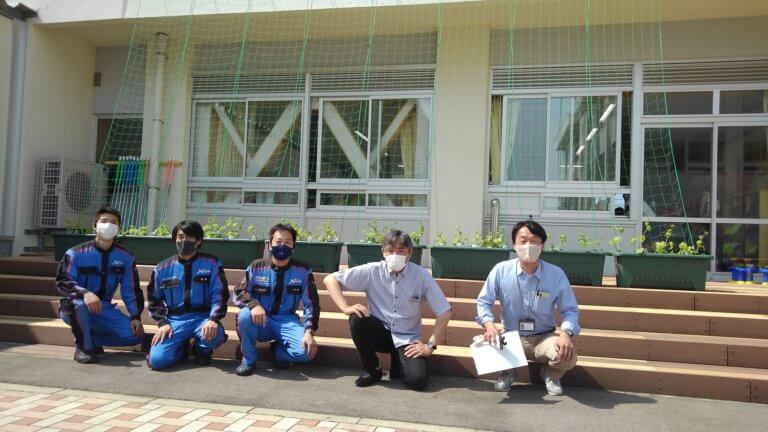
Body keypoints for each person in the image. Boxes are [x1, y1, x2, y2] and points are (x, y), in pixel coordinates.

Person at [324, 229, 451, 391]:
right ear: (383, 252)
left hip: (407, 339)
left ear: (410, 253)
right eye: (390, 251)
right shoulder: (372, 271)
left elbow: (444, 311)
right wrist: (345, 307)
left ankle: (399, 363)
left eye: (401, 251)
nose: (395, 255)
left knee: (417, 381)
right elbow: (330, 279)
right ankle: (372, 370)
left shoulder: (421, 276)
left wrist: (430, 346)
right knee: (357, 318)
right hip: (380, 332)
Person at [477, 220, 581, 396]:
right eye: (523, 240)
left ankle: (550, 374)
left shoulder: (556, 274)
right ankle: (508, 371)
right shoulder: (501, 270)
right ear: (514, 244)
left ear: (542, 246)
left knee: (568, 356)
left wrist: (565, 335)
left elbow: (570, 310)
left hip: (544, 338)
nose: (528, 246)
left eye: (534, 241)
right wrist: (489, 326)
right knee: (483, 344)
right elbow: (483, 301)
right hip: (512, 336)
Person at [56, 206, 144, 363]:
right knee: (79, 304)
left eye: (114, 222)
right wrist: (85, 293)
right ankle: (84, 347)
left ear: (118, 228)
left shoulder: (126, 257)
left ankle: (90, 339)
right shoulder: (75, 254)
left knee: (136, 335)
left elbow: (131, 289)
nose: (108, 225)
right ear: (94, 225)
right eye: (104, 221)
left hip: (103, 308)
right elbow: (63, 281)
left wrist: (135, 315)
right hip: (74, 307)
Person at [233, 223, 321, 376]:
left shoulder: (303, 270)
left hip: (287, 321)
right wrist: (254, 305)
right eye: (278, 241)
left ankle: (278, 351)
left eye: (287, 242)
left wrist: (309, 331)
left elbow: (311, 304)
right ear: (270, 245)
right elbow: (239, 292)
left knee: (306, 353)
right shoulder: (256, 267)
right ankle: (248, 360)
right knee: (245, 315)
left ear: (293, 247)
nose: (282, 246)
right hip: (261, 320)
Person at [146, 220, 229, 370]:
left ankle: (202, 350)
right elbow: (154, 301)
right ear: (175, 240)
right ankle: (181, 350)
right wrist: (162, 323)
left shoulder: (212, 263)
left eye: (189, 237)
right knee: (157, 362)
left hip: (203, 318)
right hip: (175, 320)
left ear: (198, 241)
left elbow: (220, 294)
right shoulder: (162, 269)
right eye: (180, 237)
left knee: (215, 335)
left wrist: (213, 319)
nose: (184, 240)